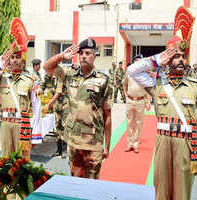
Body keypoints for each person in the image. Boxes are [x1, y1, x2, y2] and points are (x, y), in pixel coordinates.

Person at [127, 6, 197, 200]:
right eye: (176, 56)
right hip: (163, 142)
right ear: (168, 58)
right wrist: (157, 59)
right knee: (161, 193)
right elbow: (132, 71)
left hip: (186, 144)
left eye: (183, 55)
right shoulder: (156, 83)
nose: (181, 60)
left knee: (182, 195)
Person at [43, 38, 112, 179]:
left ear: (95, 55)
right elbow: (47, 67)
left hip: (94, 142)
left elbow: (107, 115)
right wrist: (62, 56)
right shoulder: (69, 74)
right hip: (74, 140)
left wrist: (107, 146)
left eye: (88, 53)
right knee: (75, 181)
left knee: (92, 183)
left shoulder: (103, 79)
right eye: (81, 54)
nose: (84, 56)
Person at [0, 43, 39, 159]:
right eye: (12, 57)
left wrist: (36, 131)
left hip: (23, 125)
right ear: (9, 61)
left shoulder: (31, 79)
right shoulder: (1, 77)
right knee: (6, 158)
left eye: (18, 57)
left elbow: (37, 106)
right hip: (6, 124)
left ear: (23, 61)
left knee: (22, 159)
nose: (15, 60)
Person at [123, 54, 150, 153]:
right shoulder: (128, 73)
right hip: (130, 100)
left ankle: (135, 144)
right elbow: (124, 84)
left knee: (138, 123)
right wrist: (126, 96)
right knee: (130, 122)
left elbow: (148, 89)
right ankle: (129, 144)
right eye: (136, 61)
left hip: (140, 101)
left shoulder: (145, 75)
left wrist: (148, 102)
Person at [45, 73, 68, 159]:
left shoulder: (60, 76)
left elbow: (58, 92)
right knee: (57, 127)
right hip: (56, 104)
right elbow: (44, 86)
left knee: (64, 126)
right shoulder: (49, 77)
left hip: (65, 104)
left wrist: (49, 103)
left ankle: (65, 151)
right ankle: (59, 150)